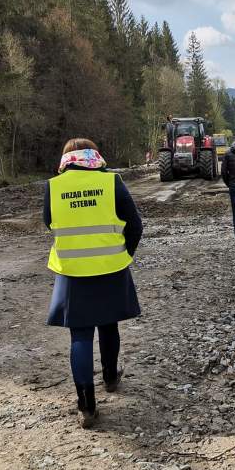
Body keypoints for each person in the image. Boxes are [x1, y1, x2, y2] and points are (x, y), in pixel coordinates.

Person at [44, 138, 143, 428]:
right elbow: (135, 224)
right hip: (110, 267)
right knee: (109, 323)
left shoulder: (53, 187)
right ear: (94, 156)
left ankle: (86, 406)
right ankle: (111, 377)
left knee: (80, 335)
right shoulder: (112, 182)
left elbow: (49, 223)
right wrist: (123, 254)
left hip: (72, 271)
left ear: (66, 160)